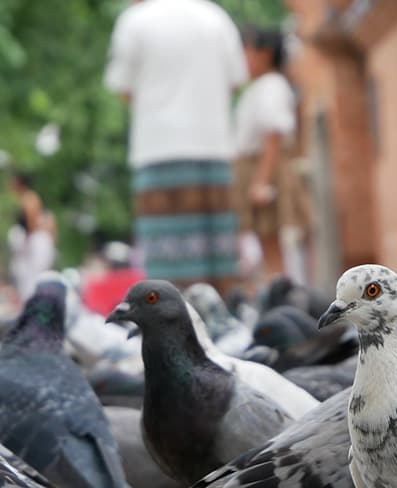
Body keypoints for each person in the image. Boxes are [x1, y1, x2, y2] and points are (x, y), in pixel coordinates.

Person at [104, 0, 247, 293]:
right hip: (214, 150)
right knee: (219, 263)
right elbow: (236, 81)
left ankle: (174, 333)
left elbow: (123, 88)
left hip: (159, 151)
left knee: (169, 270)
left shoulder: (135, 21)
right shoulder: (216, 17)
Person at [234, 26, 310, 285]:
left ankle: (281, 295)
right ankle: (277, 292)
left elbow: (273, 135)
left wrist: (262, 181)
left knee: (272, 244)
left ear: (265, 53)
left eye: (245, 51)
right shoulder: (261, 87)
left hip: (263, 169)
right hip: (255, 168)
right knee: (267, 244)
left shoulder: (271, 85)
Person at [8, 172, 57, 301]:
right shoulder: (25, 198)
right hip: (34, 240)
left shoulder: (29, 198)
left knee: (33, 278)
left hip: (36, 240)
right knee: (26, 278)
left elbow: (32, 222)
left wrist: (27, 240)